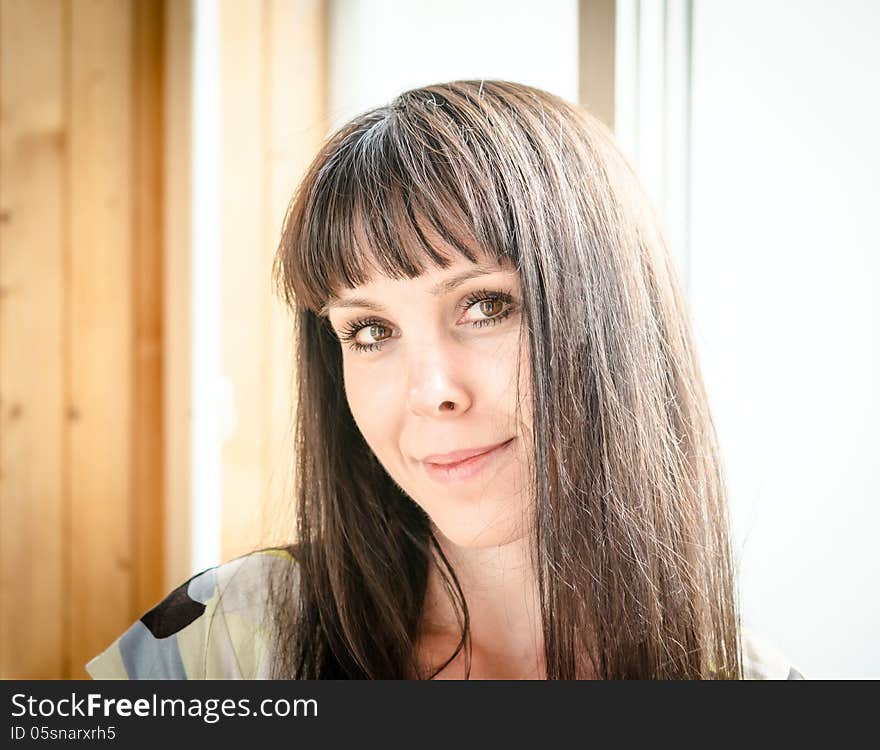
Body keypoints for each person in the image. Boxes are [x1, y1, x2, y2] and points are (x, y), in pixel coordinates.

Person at [86, 80, 804, 680]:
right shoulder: (227, 643)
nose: (431, 390)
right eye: (370, 331)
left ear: (612, 319)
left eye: (485, 307)